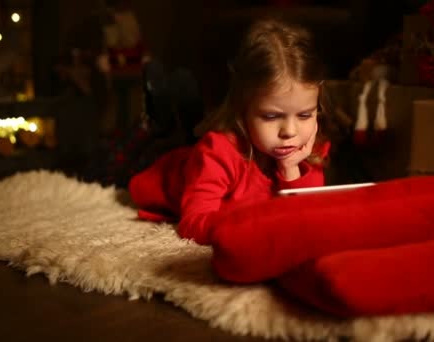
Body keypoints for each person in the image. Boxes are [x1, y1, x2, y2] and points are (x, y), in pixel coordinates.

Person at [128, 18, 333, 245]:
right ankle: (164, 105)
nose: (290, 131)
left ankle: (180, 104)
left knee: (188, 128)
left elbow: (304, 217)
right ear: (243, 108)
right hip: (170, 172)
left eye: (304, 115)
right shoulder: (218, 152)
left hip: (202, 155)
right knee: (153, 143)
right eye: (271, 116)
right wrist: (253, 227)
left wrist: (291, 169)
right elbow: (193, 224)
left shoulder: (306, 151)